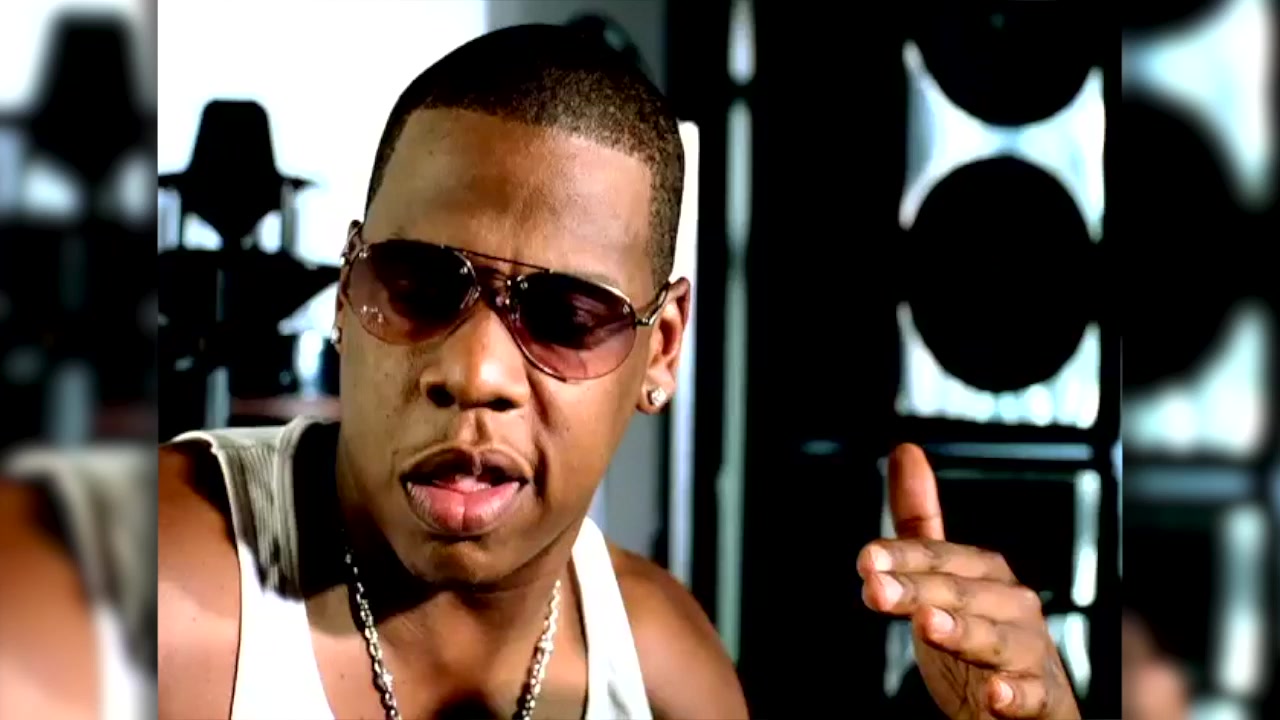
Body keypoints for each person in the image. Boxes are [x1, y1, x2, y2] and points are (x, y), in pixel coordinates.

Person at [157, 24, 1079, 720]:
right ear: (346, 289)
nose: (476, 372)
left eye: (565, 316)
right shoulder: (144, 590)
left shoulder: (666, 670)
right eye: (419, 287)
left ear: (661, 349)